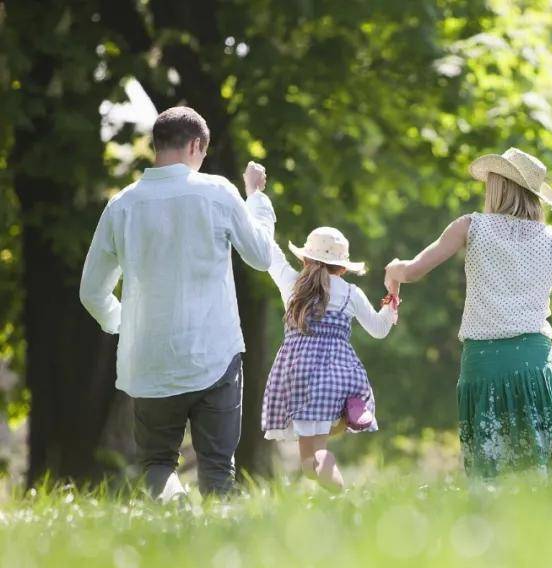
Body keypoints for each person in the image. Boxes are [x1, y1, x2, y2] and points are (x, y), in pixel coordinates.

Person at [384, 147, 552, 477]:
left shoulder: (470, 227)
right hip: (535, 365)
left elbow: (412, 271)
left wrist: (394, 272)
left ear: (497, 185)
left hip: (483, 365)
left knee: (496, 475)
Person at [79, 106, 276, 500]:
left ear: (157, 145)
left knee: (157, 464)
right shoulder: (218, 192)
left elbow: (91, 292)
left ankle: (172, 522)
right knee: (219, 466)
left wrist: (124, 324)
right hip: (214, 354)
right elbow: (261, 255)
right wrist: (256, 198)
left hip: (148, 359)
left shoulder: (122, 205)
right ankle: (217, 551)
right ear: (196, 145)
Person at [261, 227, 398, 489]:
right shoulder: (350, 293)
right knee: (315, 459)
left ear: (304, 260)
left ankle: (343, 496)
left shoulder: (292, 285)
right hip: (336, 378)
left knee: (310, 463)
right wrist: (391, 300)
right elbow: (379, 330)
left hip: (299, 378)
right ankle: (351, 408)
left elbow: (271, 254)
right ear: (343, 268)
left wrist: (256, 201)